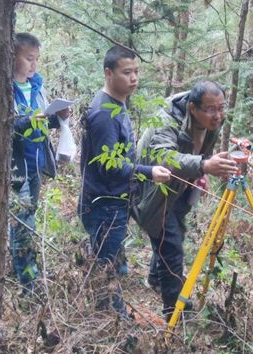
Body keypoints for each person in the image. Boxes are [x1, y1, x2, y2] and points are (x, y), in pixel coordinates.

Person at [132, 80, 238, 318]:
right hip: (154, 189)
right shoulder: (167, 119)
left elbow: (203, 149)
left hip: (181, 185)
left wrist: (203, 167)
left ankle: (155, 279)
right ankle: (175, 311)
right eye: (211, 109)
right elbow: (163, 156)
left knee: (174, 232)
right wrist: (203, 165)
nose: (218, 115)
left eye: (222, 108)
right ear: (193, 107)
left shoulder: (211, 120)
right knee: (171, 247)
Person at [78, 45, 171, 316]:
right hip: (103, 205)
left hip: (114, 202)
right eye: (127, 72)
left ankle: (112, 315)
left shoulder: (116, 104)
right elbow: (110, 166)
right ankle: (110, 321)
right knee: (107, 268)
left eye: (136, 72)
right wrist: (148, 171)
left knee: (113, 263)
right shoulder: (104, 114)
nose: (134, 78)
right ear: (108, 73)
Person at [9, 32, 71, 293]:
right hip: (15, 166)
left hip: (37, 163)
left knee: (28, 215)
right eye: (28, 59)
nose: (33, 65)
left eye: (36, 59)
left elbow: (44, 121)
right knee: (23, 222)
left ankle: (22, 267)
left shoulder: (37, 86)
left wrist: (58, 117)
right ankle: (29, 282)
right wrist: (30, 118)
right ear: (12, 58)